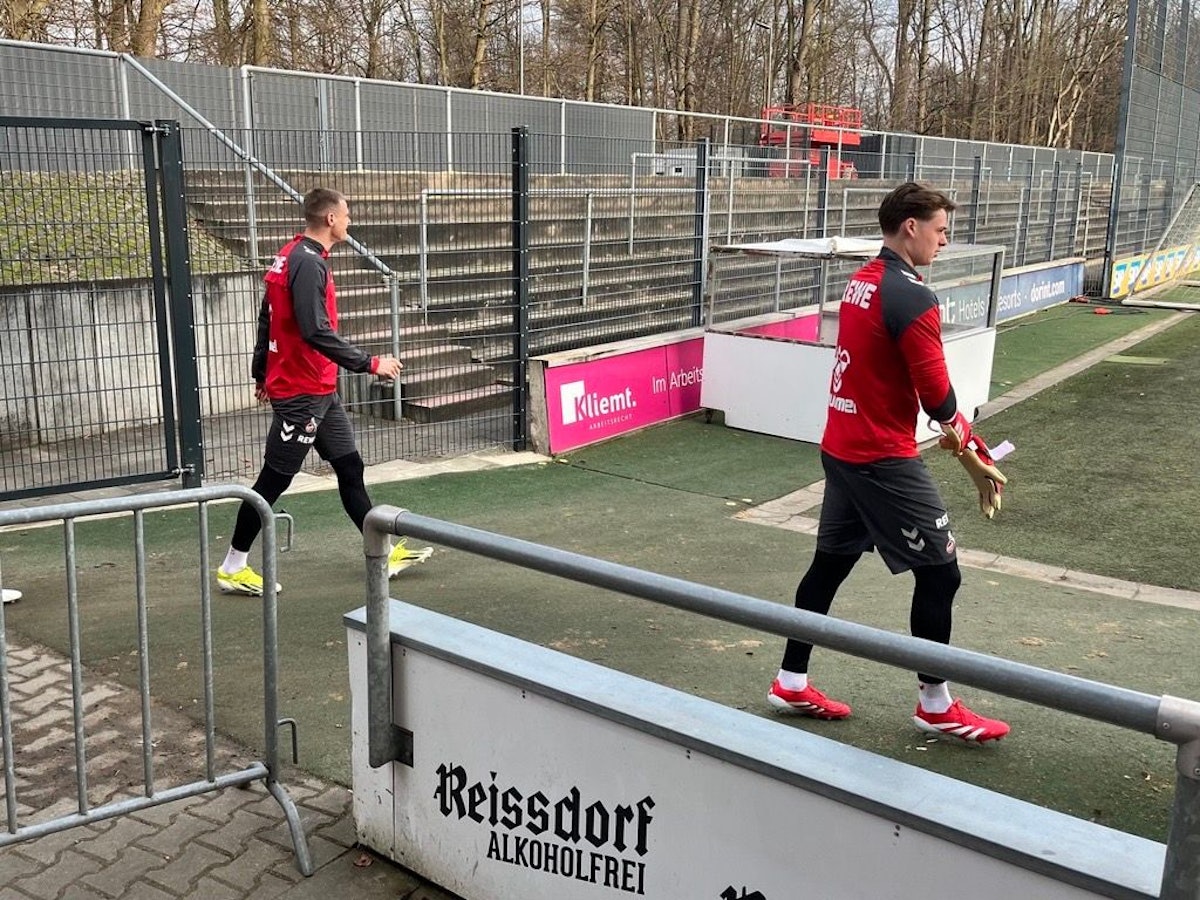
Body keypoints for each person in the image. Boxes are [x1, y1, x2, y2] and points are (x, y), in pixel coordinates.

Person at [766, 182, 1010, 743]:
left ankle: (790, 680)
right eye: (940, 229)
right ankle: (934, 704)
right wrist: (972, 449)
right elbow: (937, 397)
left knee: (829, 565)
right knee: (941, 573)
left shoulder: (862, 281)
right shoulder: (912, 296)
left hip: (843, 449)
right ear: (911, 227)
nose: (944, 241)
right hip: (880, 458)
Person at [216, 187, 432, 596]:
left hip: (318, 388)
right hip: (301, 392)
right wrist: (370, 363)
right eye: (346, 214)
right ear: (331, 219)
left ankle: (381, 555)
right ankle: (233, 565)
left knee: (350, 467)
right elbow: (316, 330)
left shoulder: (291, 254)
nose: (350, 221)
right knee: (272, 482)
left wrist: (261, 371)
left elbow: (269, 317)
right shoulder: (307, 263)